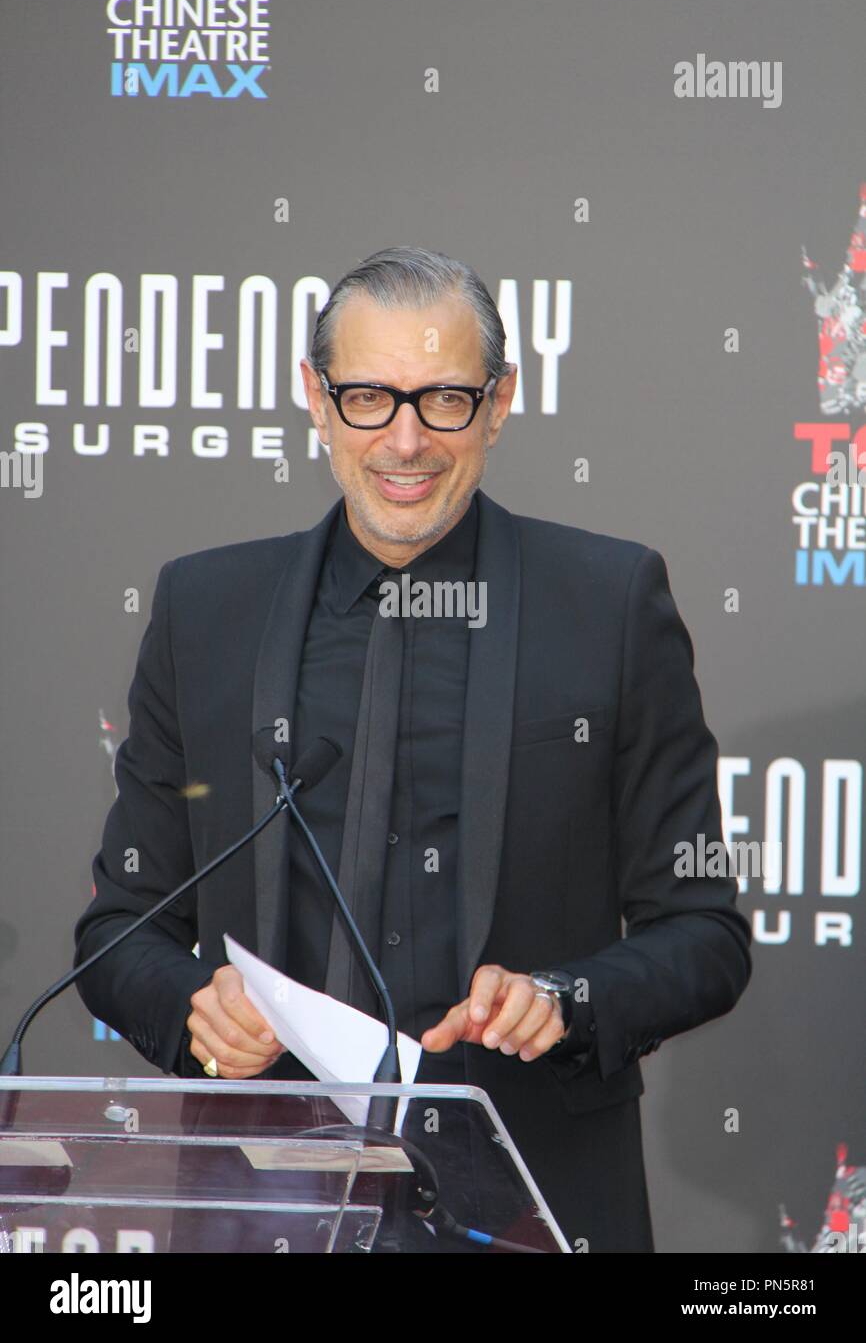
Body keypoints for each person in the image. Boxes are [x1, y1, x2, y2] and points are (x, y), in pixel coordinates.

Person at [74, 245, 752, 1253]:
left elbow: (703, 933)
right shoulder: (204, 610)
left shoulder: (607, 606)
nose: (404, 440)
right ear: (312, 396)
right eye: (366, 398)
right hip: (263, 1204)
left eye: (442, 399)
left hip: (533, 1199)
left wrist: (565, 1000)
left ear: (499, 400)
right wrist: (193, 1009)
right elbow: (120, 930)